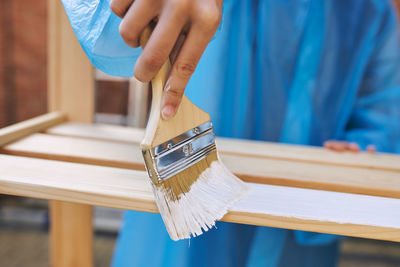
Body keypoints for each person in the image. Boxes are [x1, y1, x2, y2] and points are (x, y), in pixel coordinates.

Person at [62, 0, 400, 266]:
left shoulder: (370, 11)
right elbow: (105, 33)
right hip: (179, 216)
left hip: (298, 227)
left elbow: (383, 109)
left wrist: (365, 146)